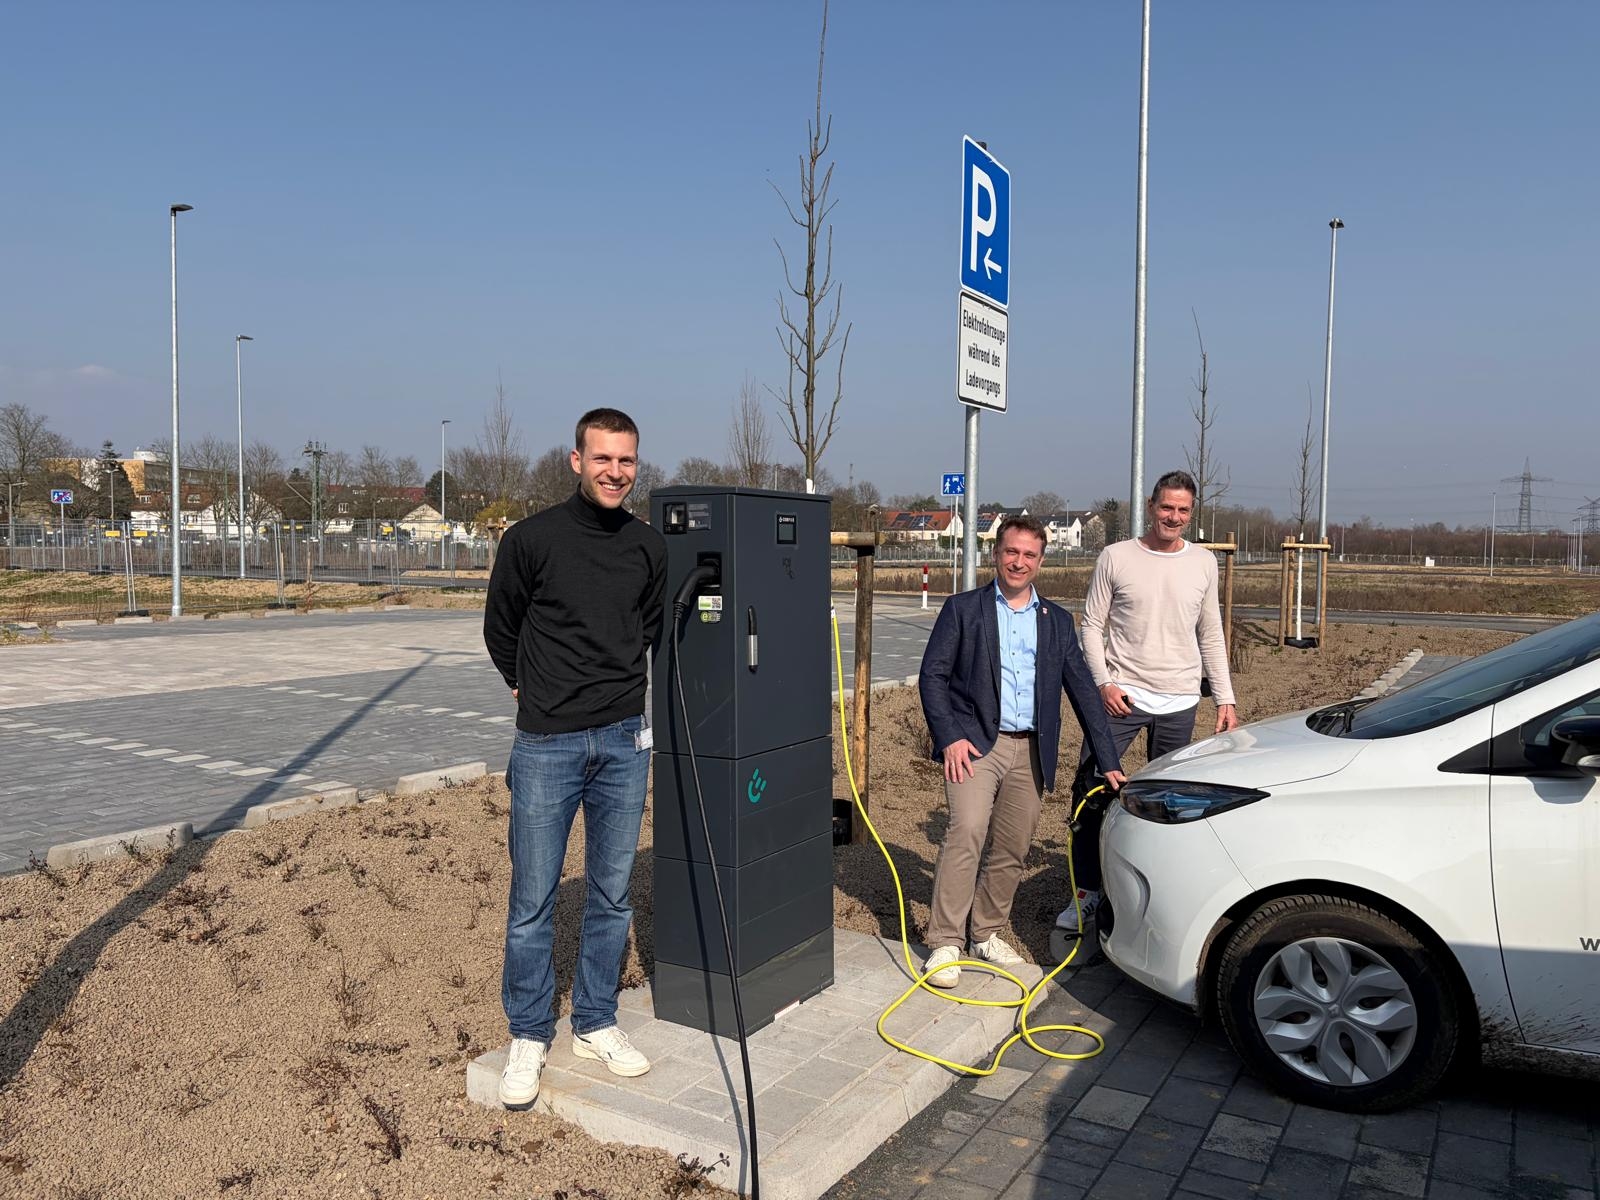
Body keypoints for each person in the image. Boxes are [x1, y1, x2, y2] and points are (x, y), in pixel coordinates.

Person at [482, 407, 667, 1111]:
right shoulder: (531, 540)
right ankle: (529, 1034)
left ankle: (594, 1021)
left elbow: (646, 628)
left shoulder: (649, 549)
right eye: (602, 459)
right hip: (547, 744)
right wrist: (527, 684)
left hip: (624, 741)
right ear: (575, 460)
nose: (615, 472)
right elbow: (502, 626)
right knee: (532, 901)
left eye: (626, 461)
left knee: (611, 893)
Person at [918, 515, 1127, 987]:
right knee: (967, 831)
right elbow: (932, 676)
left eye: (1029, 554)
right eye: (1011, 552)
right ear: (996, 554)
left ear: (1040, 561)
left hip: (1030, 748)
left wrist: (1109, 760)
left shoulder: (1056, 621)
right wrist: (949, 735)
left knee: (1012, 846)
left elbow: (1084, 693)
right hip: (974, 747)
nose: (1019, 561)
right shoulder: (963, 609)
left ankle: (985, 933)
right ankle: (946, 941)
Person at [1061, 469, 1239, 931]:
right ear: (1150, 507)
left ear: (1190, 513)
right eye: (1166, 508)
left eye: (1182, 510)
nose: (1173, 517)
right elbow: (1091, 625)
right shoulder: (1115, 557)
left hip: (1179, 700)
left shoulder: (1203, 563)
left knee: (1170, 807)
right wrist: (1103, 683)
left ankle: (1158, 901)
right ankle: (1086, 894)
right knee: (1092, 794)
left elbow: (1211, 632)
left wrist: (1224, 698)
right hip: (1121, 698)